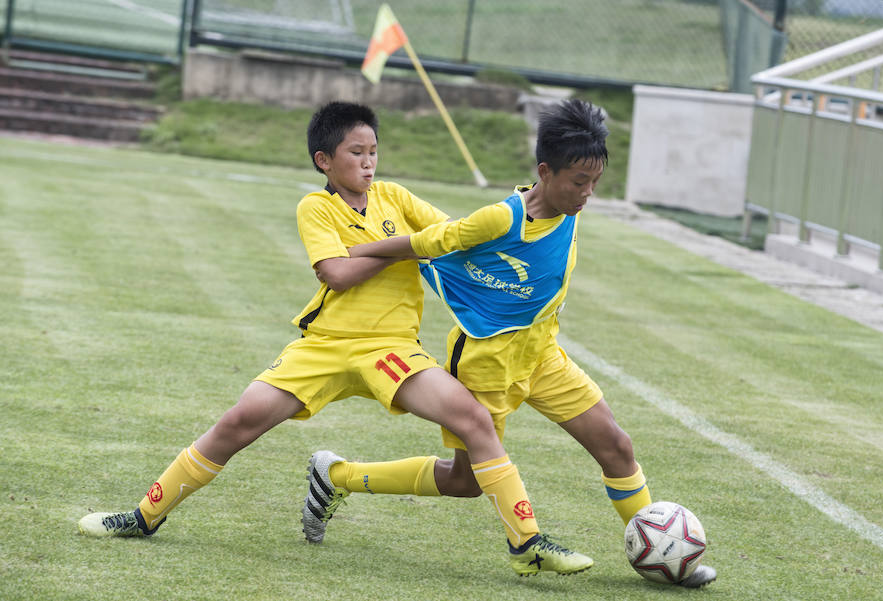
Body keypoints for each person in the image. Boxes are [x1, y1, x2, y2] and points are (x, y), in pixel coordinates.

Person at [77, 101, 592, 577]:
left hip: (392, 348)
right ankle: (142, 517)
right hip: (324, 345)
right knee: (238, 421)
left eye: (373, 152)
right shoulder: (315, 208)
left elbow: (449, 237)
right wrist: (406, 249)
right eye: (356, 153)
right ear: (325, 160)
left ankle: (527, 544)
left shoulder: (394, 197)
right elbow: (337, 275)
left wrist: (512, 217)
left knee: (474, 419)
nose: (369, 163)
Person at [304, 99, 716, 588]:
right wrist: (365, 249)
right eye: (579, 182)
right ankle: (338, 477)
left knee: (617, 447)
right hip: (486, 359)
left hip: (542, 356)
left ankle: (660, 553)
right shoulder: (500, 218)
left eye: (595, 182)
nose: (587, 194)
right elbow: (434, 241)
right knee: (465, 483)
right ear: (545, 172)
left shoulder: (567, 203)